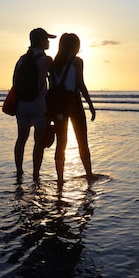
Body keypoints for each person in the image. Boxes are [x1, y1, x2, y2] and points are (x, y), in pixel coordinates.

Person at [50, 33, 96, 185]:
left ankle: (60, 179)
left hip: (58, 104)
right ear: (74, 46)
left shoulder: (54, 63)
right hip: (73, 102)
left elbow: (52, 87)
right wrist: (90, 104)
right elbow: (80, 83)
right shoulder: (77, 62)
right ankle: (89, 174)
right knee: (82, 140)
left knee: (61, 142)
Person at [14, 28, 56, 180]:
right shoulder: (46, 60)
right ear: (39, 41)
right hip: (39, 104)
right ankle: (36, 175)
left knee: (21, 139)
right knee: (38, 142)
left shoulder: (21, 59)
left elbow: (15, 82)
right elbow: (53, 82)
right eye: (46, 39)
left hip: (22, 104)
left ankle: (19, 171)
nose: (49, 42)